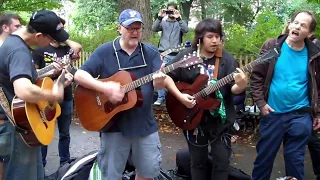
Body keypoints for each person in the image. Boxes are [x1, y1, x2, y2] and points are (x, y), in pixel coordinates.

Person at [74, 9, 168, 180]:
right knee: (110, 175)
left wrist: (160, 82)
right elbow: (79, 75)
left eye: (138, 28)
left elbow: (158, 82)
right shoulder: (105, 51)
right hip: (113, 126)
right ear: (119, 28)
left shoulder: (151, 52)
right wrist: (105, 88)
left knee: (147, 173)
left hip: (144, 126)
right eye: (130, 28)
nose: (134, 32)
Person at [163, 18, 248, 180]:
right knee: (197, 162)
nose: (215, 40)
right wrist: (180, 97)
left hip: (220, 122)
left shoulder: (227, 60)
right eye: (210, 36)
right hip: (193, 117)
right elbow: (166, 77)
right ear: (200, 37)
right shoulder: (186, 56)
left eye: (218, 36)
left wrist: (241, 85)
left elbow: (234, 90)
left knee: (222, 163)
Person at [0, 9, 74, 180]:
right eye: (52, 38)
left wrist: (59, 83)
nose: (53, 42)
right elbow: (23, 89)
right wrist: (53, 95)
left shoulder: (14, 44)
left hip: (21, 127)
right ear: (39, 35)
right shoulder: (18, 51)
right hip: (16, 129)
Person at [250, 10, 320, 180]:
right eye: (295, 22)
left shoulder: (315, 54)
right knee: (264, 160)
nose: (297, 26)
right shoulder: (272, 46)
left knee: (295, 162)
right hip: (273, 114)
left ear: (309, 33)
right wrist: (260, 103)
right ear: (289, 24)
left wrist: (317, 113)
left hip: (300, 115)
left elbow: (318, 86)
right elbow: (256, 76)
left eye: (302, 25)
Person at [32, 17, 77, 168]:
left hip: (66, 96)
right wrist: (51, 72)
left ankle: (65, 164)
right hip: (46, 96)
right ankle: (41, 164)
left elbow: (78, 48)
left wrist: (66, 40)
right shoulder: (40, 49)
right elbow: (34, 73)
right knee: (45, 133)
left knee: (65, 133)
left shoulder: (66, 49)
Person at [152, 2, 189, 105]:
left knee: (174, 77)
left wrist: (178, 18)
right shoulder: (163, 22)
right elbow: (154, 29)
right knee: (159, 74)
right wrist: (159, 17)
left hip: (176, 54)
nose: (170, 13)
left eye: (172, 11)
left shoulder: (179, 22)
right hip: (162, 53)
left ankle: (173, 98)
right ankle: (160, 98)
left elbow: (186, 30)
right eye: (169, 10)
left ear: (176, 11)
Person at [0, 12, 22, 180]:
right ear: (5, 27)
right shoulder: (9, 51)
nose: (20, 29)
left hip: (12, 118)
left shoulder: (15, 49)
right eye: (17, 26)